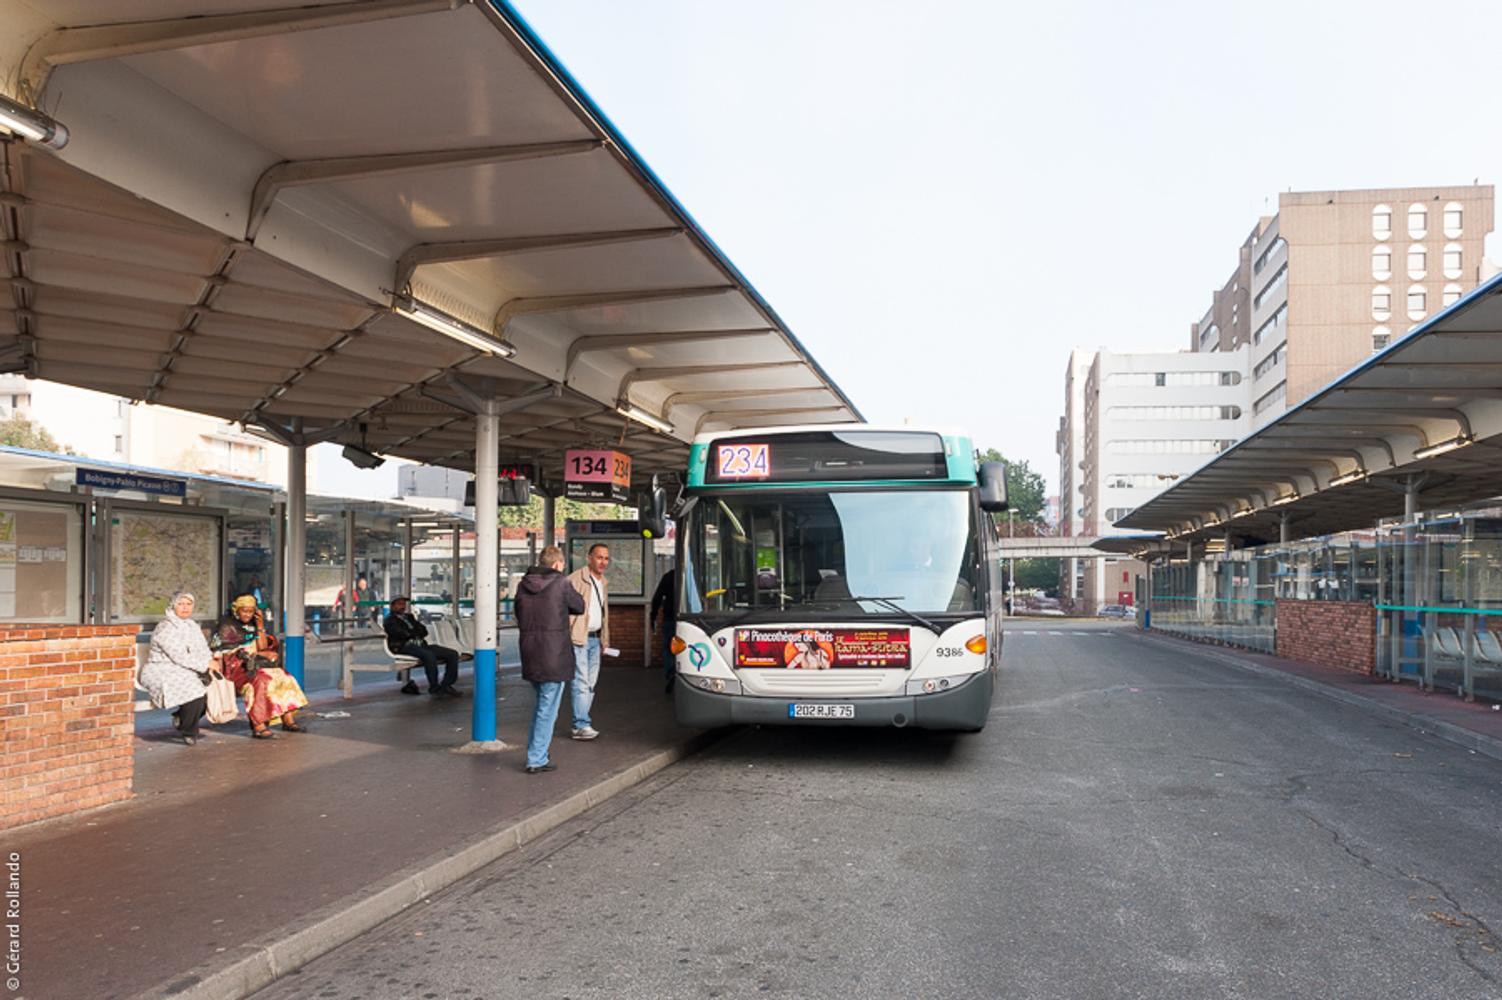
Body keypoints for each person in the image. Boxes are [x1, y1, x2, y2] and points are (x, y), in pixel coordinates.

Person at [516, 546, 585, 774]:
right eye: (562, 565)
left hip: (530, 652)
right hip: (554, 654)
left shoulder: (523, 585)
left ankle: (537, 753)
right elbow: (579, 606)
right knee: (547, 709)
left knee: (542, 706)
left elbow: (519, 614)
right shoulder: (561, 583)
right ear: (557, 564)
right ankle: (536, 758)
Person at [211, 594, 308, 739]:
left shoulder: (253, 624)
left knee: (283, 676)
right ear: (236, 610)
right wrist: (256, 656)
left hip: (254, 665)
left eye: (251, 611)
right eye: (244, 611)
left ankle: (287, 719)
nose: (248, 615)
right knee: (261, 681)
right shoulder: (227, 626)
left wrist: (260, 625)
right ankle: (258, 725)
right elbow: (227, 655)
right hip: (235, 669)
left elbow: (262, 648)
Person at [138, 591, 213, 745]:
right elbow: (179, 656)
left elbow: (202, 649)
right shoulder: (166, 627)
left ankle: (181, 718)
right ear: (173, 605)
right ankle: (189, 731)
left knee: (205, 697)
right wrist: (204, 665)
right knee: (194, 691)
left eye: (188, 604)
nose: (185, 608)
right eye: (181, 604)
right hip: (162, 669)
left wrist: (208, 662)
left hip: (185, 669)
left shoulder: (192, 625)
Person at [567, 543, 611, 740]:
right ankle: (581, 724)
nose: (603, 562)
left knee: (591, 683)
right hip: (579, 638)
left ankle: (581, 722)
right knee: (581, 682)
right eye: (599, 557)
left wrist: (605, 639)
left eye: (606, 558)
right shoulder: (576, 579)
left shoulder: (603, 583)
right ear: (589, 558)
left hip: (595, 638)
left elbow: (604, 614)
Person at [383, 596, 462, 697]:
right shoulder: (389, 620)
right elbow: (401, 634)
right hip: (403, 646)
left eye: (403, 604)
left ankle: (446, 685)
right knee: (429, 656)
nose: (402, 606)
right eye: (399, 604)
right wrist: (415, 632)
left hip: (421, 644)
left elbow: (424, 630)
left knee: (452, 654)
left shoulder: (409, 617)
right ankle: (434, 687)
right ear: (392, 606)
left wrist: (414, 632)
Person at [650, 568, 677, 694]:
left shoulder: (668, 576)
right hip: (688, 619)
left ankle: (670, 674)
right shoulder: (691, 575)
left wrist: (653, 616)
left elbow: (657, 597)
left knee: (668, 649)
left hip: (669, 618)